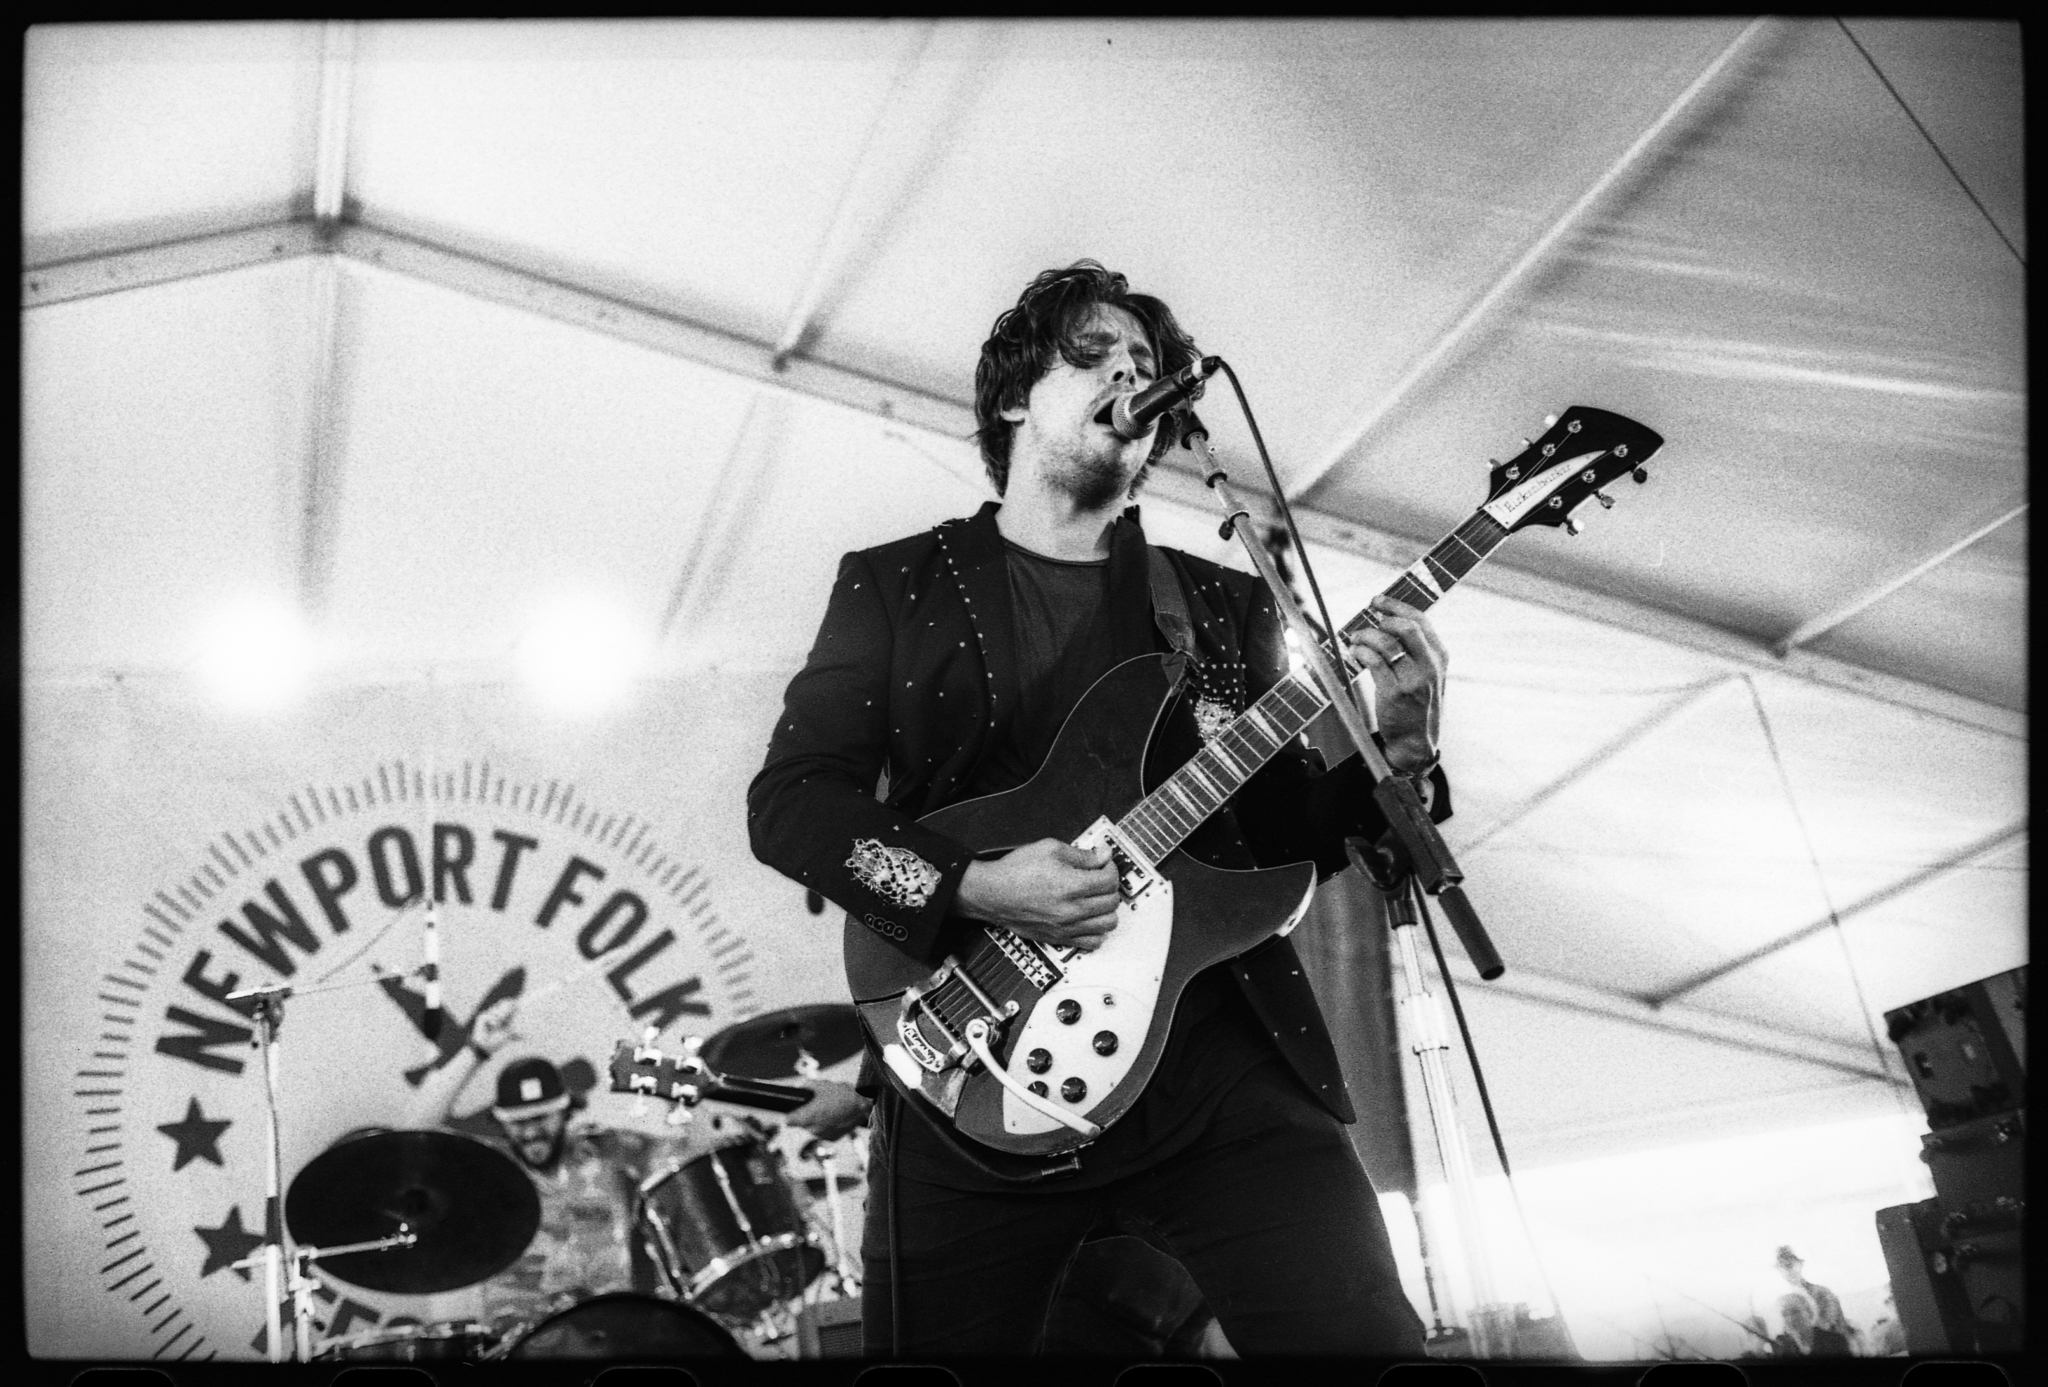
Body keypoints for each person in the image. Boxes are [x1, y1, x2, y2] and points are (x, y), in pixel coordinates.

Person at [748, 260, 1453, 1356]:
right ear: (1015, 396)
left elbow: (1282, 844)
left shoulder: (1216, 599)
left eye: (1147, 364)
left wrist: (1396, 753)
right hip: (967, 1059)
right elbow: (790, 806)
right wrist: (976, 883)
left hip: (1212, 1057)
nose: (1130, 371)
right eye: (1093, 355)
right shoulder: (894, 587)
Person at [403, 998, 707, 1338]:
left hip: (613, 1334)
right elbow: (411, 1137)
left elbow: (694, 1152)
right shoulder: (488, 1171)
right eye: (518, 1122)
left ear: (566, 1112)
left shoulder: (610, 1149)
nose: (531, 1131)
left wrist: (671, 1079)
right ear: (501, 1122)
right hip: (523, 1346)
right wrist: (476, 1050)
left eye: (541, 1117)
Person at [1772, 1246, 1855, 1356]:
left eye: (1790, 1265)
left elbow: (1828, 1326)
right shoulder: (1786, 1303)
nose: (1788, 1270)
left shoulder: (1822, 1293)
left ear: (1800, 1265)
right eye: (1782, 1267)